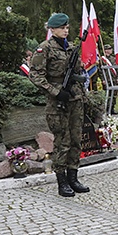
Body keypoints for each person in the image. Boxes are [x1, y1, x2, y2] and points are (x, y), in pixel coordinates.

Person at [28, 12, 90, 198]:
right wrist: (56, 91)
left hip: (75, 100)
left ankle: (73, 177)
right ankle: (62, 181)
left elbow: (78, 73)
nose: (65, 30)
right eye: (61, 28)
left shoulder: (71, 48)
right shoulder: (44, 49)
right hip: (58, 103)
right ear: (52, 29)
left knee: (76, 140)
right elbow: (35, 76)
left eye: (67, 27)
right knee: (63, 141)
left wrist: (80, 94)